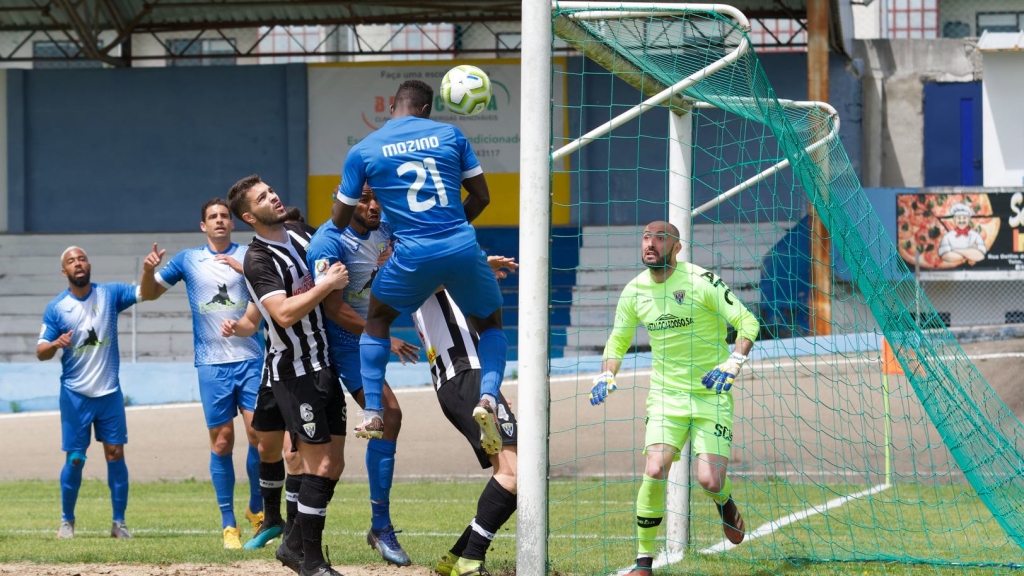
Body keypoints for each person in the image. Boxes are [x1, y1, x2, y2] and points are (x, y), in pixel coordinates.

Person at [331, 79, 505, 456]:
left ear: (392, 108)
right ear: (426, 109)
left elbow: (341, 218)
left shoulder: (363, 151)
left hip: (411, 256)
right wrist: (453, 231)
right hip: (461, 246)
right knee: (490, 324)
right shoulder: (450, 133)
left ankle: (373, 410)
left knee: (377, 320)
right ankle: (489, 398)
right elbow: (482, 197)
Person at [590, 221, 760, 576]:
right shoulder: (634, 292)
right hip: (666, 398)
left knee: (709, 480)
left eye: (660, 238)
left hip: (710, 395)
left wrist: (734, 361)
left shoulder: (702, 281)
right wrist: (608, 372)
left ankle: (724, 501)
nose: (650, 244)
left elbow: (747, 323)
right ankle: (643, 563)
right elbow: (617, 341)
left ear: (677, 247)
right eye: (646, 238)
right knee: (654, 469)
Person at [227, 173, 350, 576]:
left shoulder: (299, 233)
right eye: (263, 197)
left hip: (323, 364)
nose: (274, 197)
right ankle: (310, 561)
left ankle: (293, 544)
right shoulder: (258, 258)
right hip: (294, 372)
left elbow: (336, 243)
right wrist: (326, 283)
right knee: (314, 465)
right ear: (249, 215)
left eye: (273, 190)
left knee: (334, 464)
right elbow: (281, 313)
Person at [138, 198, 266, 549]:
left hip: (252, 358)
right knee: (222, 441)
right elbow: (149, 296)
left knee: (260, 436)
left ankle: (257, 507)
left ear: (233, 223)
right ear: (203, 226)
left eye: (225, 216)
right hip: (211, 364)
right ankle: (229, 525)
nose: (220, 221)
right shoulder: (187, 260)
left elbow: (272, 289)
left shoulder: (250, 255)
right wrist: (149, 270)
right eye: (213, 217)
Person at [306, 183, 420, 566]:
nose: (373, 206)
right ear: (345, 200)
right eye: (365, 198)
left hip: (366, 339)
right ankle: (374, 526)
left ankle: (379, 526)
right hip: (338, 345)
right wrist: (384, 340)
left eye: (377, 198)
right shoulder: (328, 242)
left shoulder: (385, 229)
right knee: (305, 449)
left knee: (385, 419)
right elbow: (334, 309)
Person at [413, 256, 519, 576]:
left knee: (512, 475)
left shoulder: (431, 267)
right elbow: (434, 279)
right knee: (516, 473)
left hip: (467, 377)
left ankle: (456, 557)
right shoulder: (415, 265)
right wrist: (478, 265)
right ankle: (471, 559)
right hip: (463, 373)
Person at [37, 246, 146, 540]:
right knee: (75, 458)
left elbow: (145, 293)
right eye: (71, 261)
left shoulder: (109, 295)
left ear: (89, 265)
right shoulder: (57, 307)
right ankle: (67, 522)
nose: (78, 263)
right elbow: (40, 351)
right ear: (65, 272)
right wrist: (55, 343)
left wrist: (148, 271)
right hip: (75, 395)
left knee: (115, 454)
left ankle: (119, 524)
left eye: (81, 258)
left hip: (109, 393)